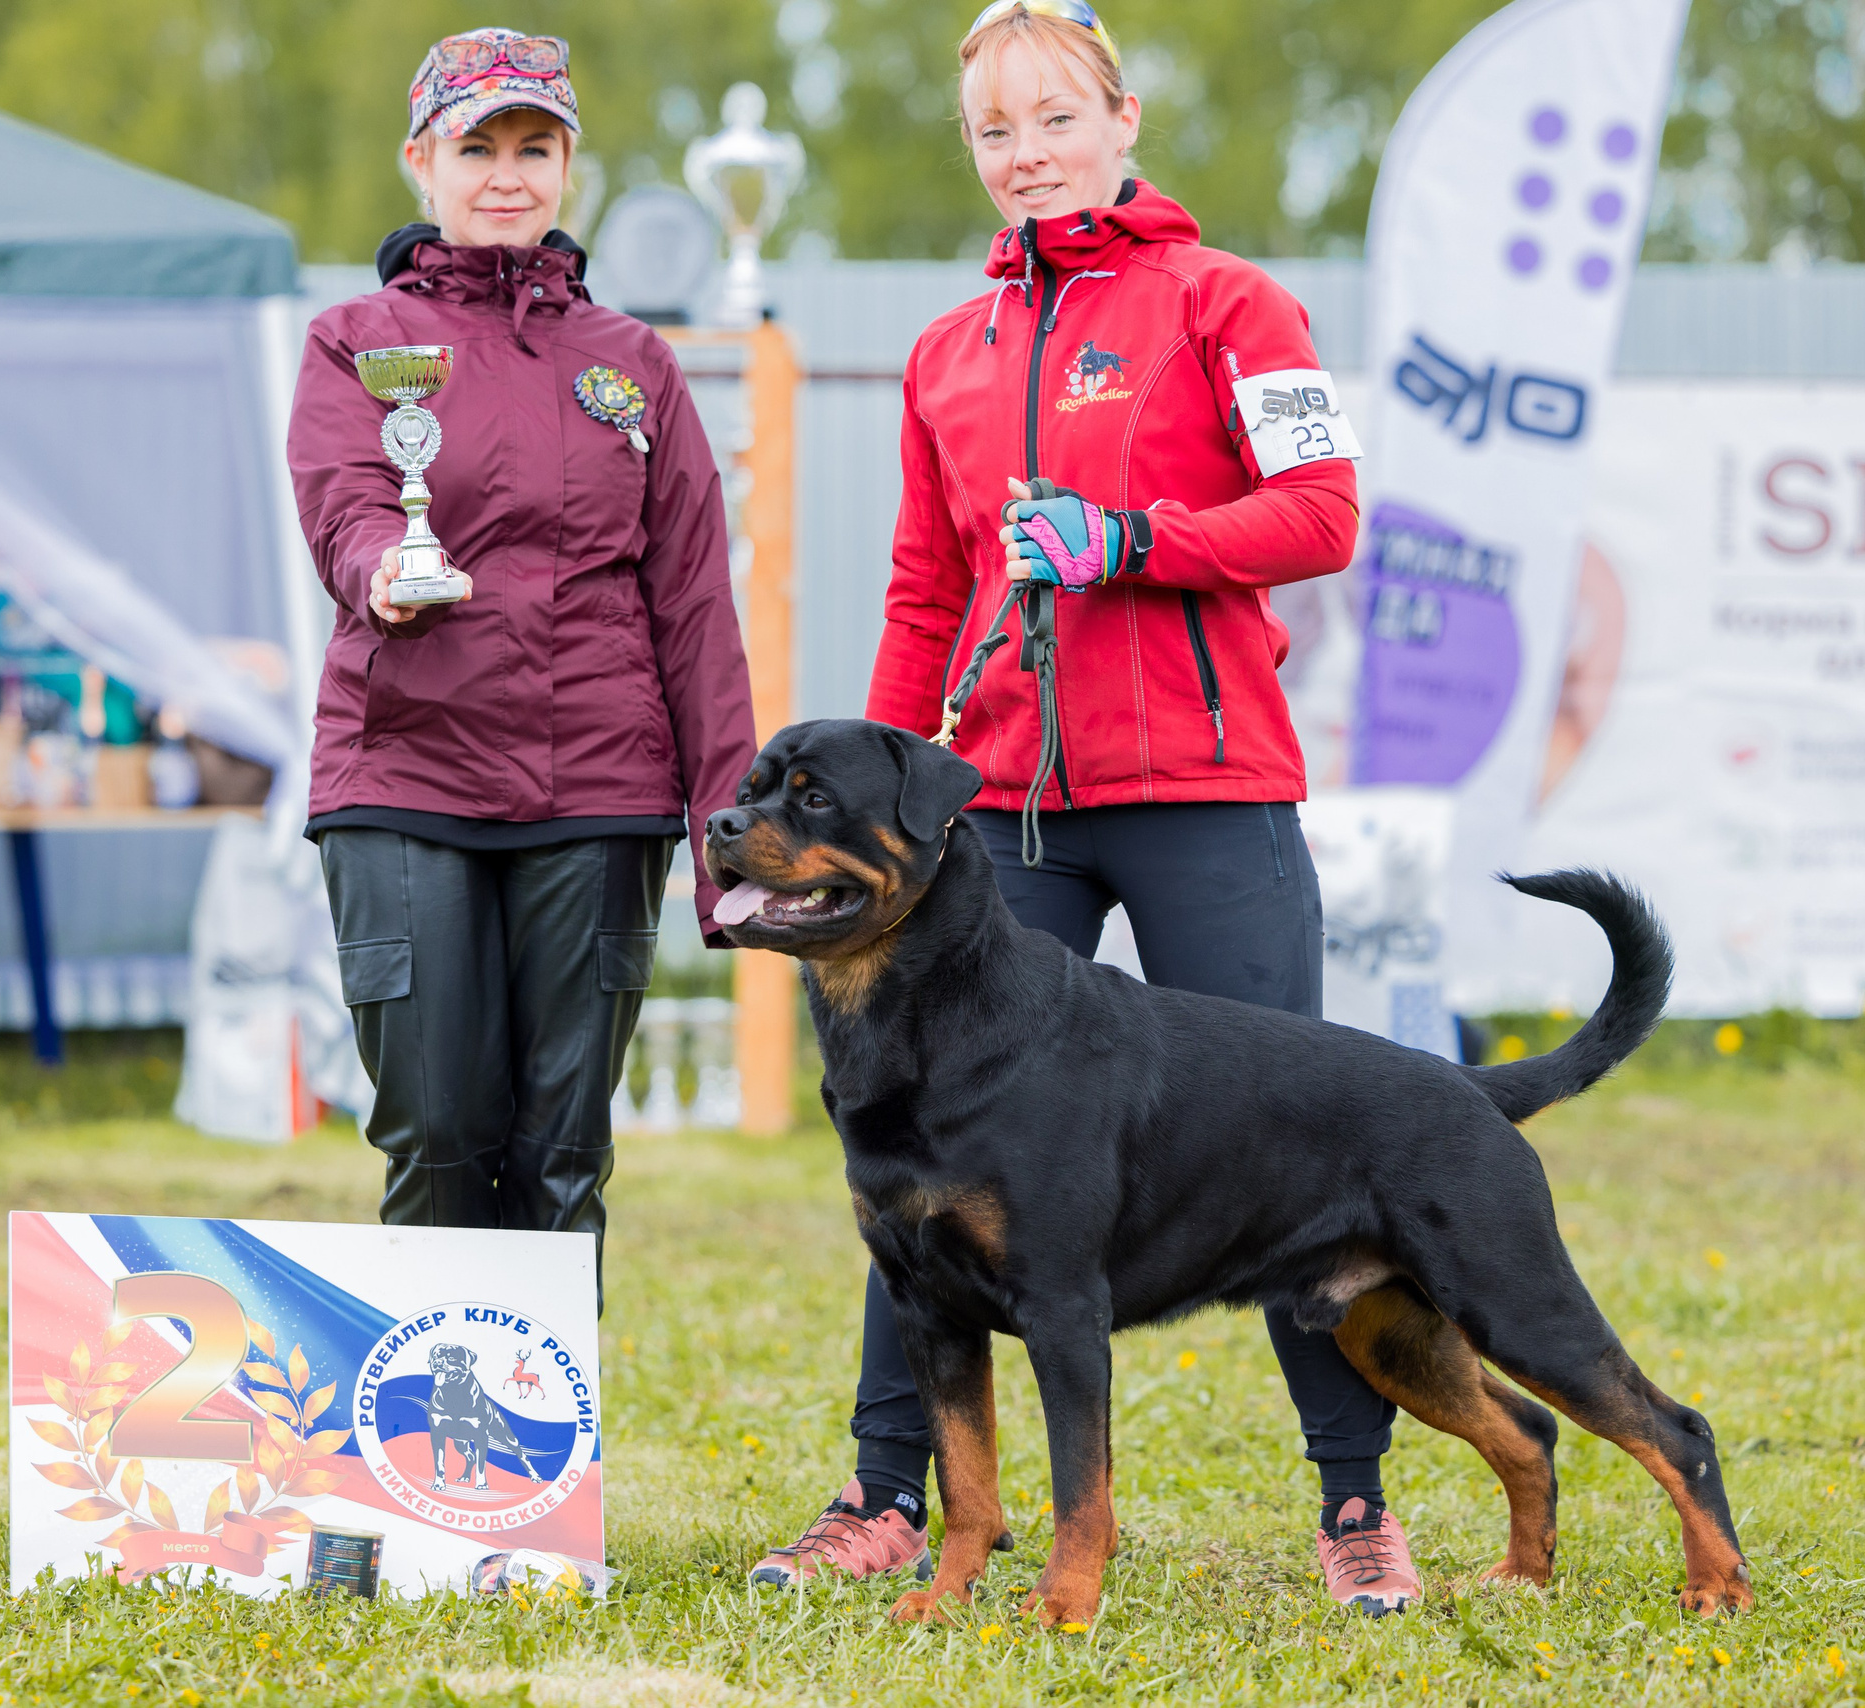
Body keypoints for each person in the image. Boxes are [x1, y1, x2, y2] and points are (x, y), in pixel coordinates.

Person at [749, 0, 1421, 1617]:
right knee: (914, 1163)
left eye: (1056, 119)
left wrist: (1128, 540)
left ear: (1122, 120)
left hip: (1206, 789)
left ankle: (1354, 1504)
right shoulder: (946, 350)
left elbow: (1322, 513)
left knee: (1293, 1154)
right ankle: (885, 1494)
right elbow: (926, 588)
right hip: (998, 825)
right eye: (997, 129)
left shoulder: (1233, 302)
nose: (1027, 153)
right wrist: (887, 789)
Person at [287, 29, 753, 1294]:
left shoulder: (635, 366)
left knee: (562, 1156)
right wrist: (384, 561)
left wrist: (728, 844)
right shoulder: (352, 339)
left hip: (599, 792)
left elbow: (697, 608)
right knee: (437, 1138)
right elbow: (344, 502)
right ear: (420, 161)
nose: (506, 174)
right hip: (404, 778)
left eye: (533, 147)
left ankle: (539, 1485)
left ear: (568, 167)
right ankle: (428, 1471)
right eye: (476, 146)